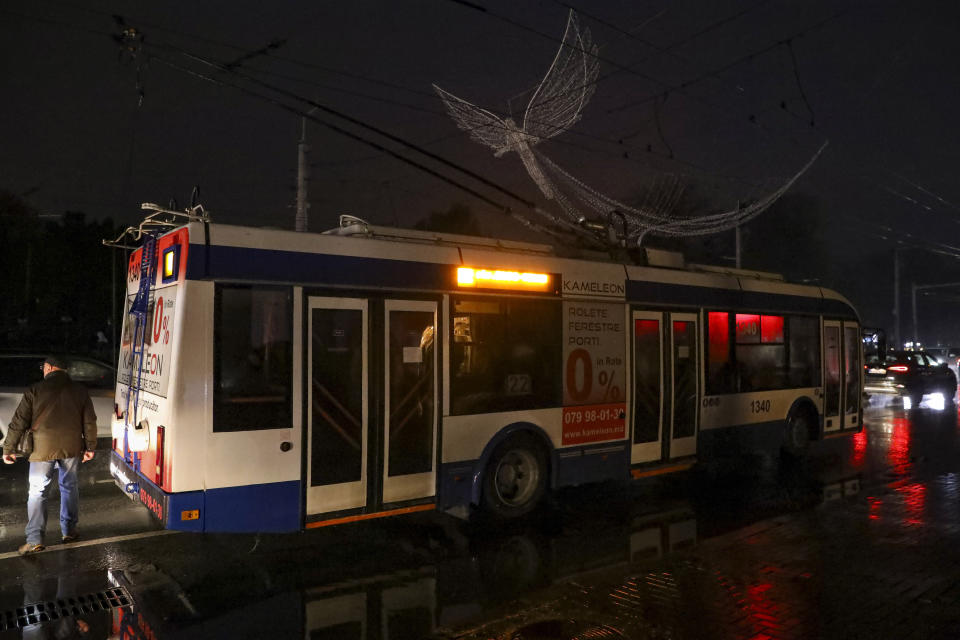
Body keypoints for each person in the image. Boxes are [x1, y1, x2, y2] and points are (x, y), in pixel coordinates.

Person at [2, 355, 97, 555]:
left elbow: (18, 422)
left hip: (42, 449)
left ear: (49, 368)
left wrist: (8, 449)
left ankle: (35, 539)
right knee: (69, 487)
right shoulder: (80, 391)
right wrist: (90, 447)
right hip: (71, 447)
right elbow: (89, 422)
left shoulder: (35, 390)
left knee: (37, 492)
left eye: (43, 367)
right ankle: (69, 531)